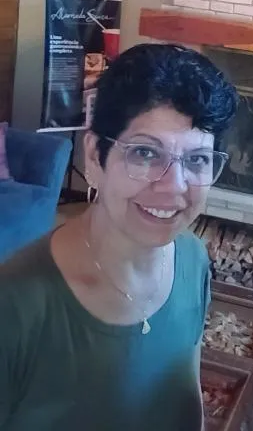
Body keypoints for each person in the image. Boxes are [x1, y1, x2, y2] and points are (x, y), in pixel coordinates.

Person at [0, 43, 237, 431]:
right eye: (145, 153)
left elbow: (186, 401)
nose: (174, 187)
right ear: (96, 156)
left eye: (196, 160)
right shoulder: (16, 304)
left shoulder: (192, 260)